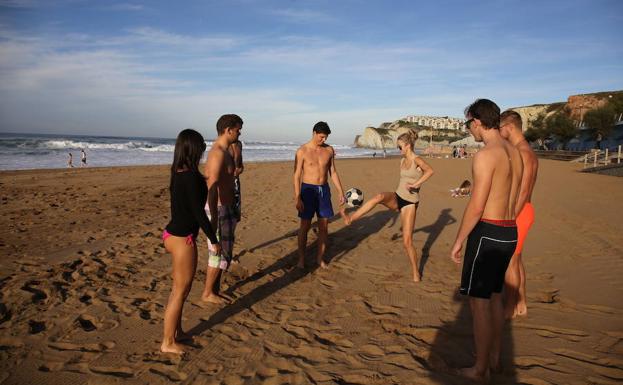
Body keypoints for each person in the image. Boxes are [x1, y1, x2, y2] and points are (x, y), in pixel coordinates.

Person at [450, 99, 523, 382]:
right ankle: (493, 360)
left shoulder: (485, 155)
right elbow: (514, 198)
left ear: (478, 122)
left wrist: (459, 240)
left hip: (488, 231)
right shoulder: (514, 153)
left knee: (478, 302)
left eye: (469, 124)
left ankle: (479, 369)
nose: (469, 130)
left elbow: (477, 205)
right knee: (494, 297)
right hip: (509, 230)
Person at [340, 130, 434, 282]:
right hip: (398, 197)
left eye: (400, 147)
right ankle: (350, 219)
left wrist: (416, 184)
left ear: (408, 146)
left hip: (410, 203)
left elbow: (430, 171)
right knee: (379, 196)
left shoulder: (417, 160)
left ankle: (416, 272)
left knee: (407, 242)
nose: (399, 150)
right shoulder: (401, 161)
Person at [161, 129, 220, 355]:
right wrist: (213, 240)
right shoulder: (193, 177)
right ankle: (167, 342)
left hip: (171, 235)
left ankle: (177, 332)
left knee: (180, 290)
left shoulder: (177, 172)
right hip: (183, 239)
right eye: (201, 147)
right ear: (194, 149)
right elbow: (198, 213)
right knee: (180, 290)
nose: (204, 151)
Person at [499, 110, 538, 318]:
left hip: (520, 212)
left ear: (510, 127)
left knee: (510, 261)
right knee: (517, 260)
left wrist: (509, 219)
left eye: (500, 128)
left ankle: (510, 307)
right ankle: (521, 303)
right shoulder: (522, 150)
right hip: (522, 211)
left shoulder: (523, 152)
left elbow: (522, 192)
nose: (498, 132)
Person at [202, 114, 243, 304]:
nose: (239, 132)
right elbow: (211, 187)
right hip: (217, 209)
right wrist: (213, 218)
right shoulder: (217, 153)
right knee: (216, 253)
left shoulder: (226, 151)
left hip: (226, 207)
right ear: (228, 130)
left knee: (225, 252)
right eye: (237, 129)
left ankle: (214, 291)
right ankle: (208, 293)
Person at [294, 121, 346, 269]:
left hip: (323, 190)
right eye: (322, 137)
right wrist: (297, 197)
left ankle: (319, 258)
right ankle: (301, 259)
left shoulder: (329, 150)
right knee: (305, 226)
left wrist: (340, 191)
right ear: (314, 133)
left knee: (324, 226)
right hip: (307, 190)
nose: (324, 140)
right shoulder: (302, 151)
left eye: (326, 138)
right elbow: (296, 175)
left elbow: (333, 172)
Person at [228, 140, 244, 222]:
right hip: (225, 182)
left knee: (235, 215)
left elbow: (241, 165)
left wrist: (239, 170)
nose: (239, 132)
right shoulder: (224, 144)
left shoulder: (239, 144)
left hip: (236, 182)